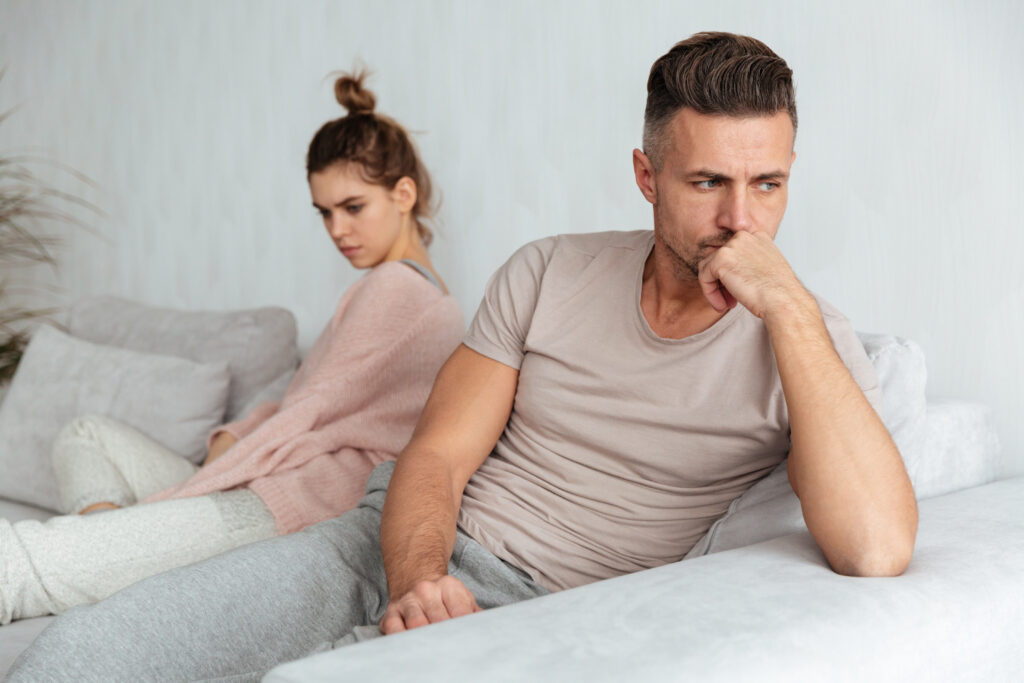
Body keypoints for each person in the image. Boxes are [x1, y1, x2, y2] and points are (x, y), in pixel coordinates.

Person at [6, 32, 917, 681]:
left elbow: (877, 547)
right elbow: (437, 453)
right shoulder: (549, 271)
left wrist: (787, 306)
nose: (739, 219)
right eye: (708, 181)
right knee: (82, 654)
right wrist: (419, 578)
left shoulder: (812, 342)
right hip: (390, 541)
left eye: (768, 184)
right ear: (647, 177)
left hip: (545, 613)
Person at [0, 70, 464, 625]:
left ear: (403, 194)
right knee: (85, 435)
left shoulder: (396, 290)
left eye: (353, 206)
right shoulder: (422, 294)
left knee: (24, 562)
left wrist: (205, 480)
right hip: (272, 479)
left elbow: (307, 416)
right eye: (324, 212)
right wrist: (229, 442)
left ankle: (113, 554)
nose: (337, 229)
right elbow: (313, 404)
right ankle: (120, 563)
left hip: (290, 501)